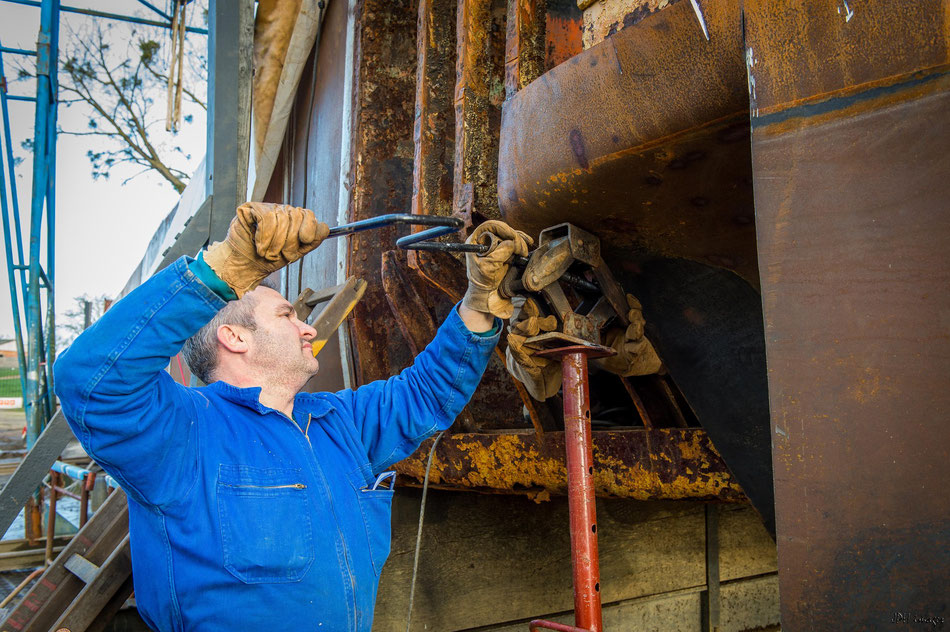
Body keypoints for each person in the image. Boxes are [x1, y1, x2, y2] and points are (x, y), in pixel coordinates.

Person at [53, 203, 531, 632]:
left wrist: (479, 300)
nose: (307, 326)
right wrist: (224, 270)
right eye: (286, 315)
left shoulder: (337, 421)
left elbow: (425, 392)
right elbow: (89, 379)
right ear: (235, 338)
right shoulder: (182, 432)